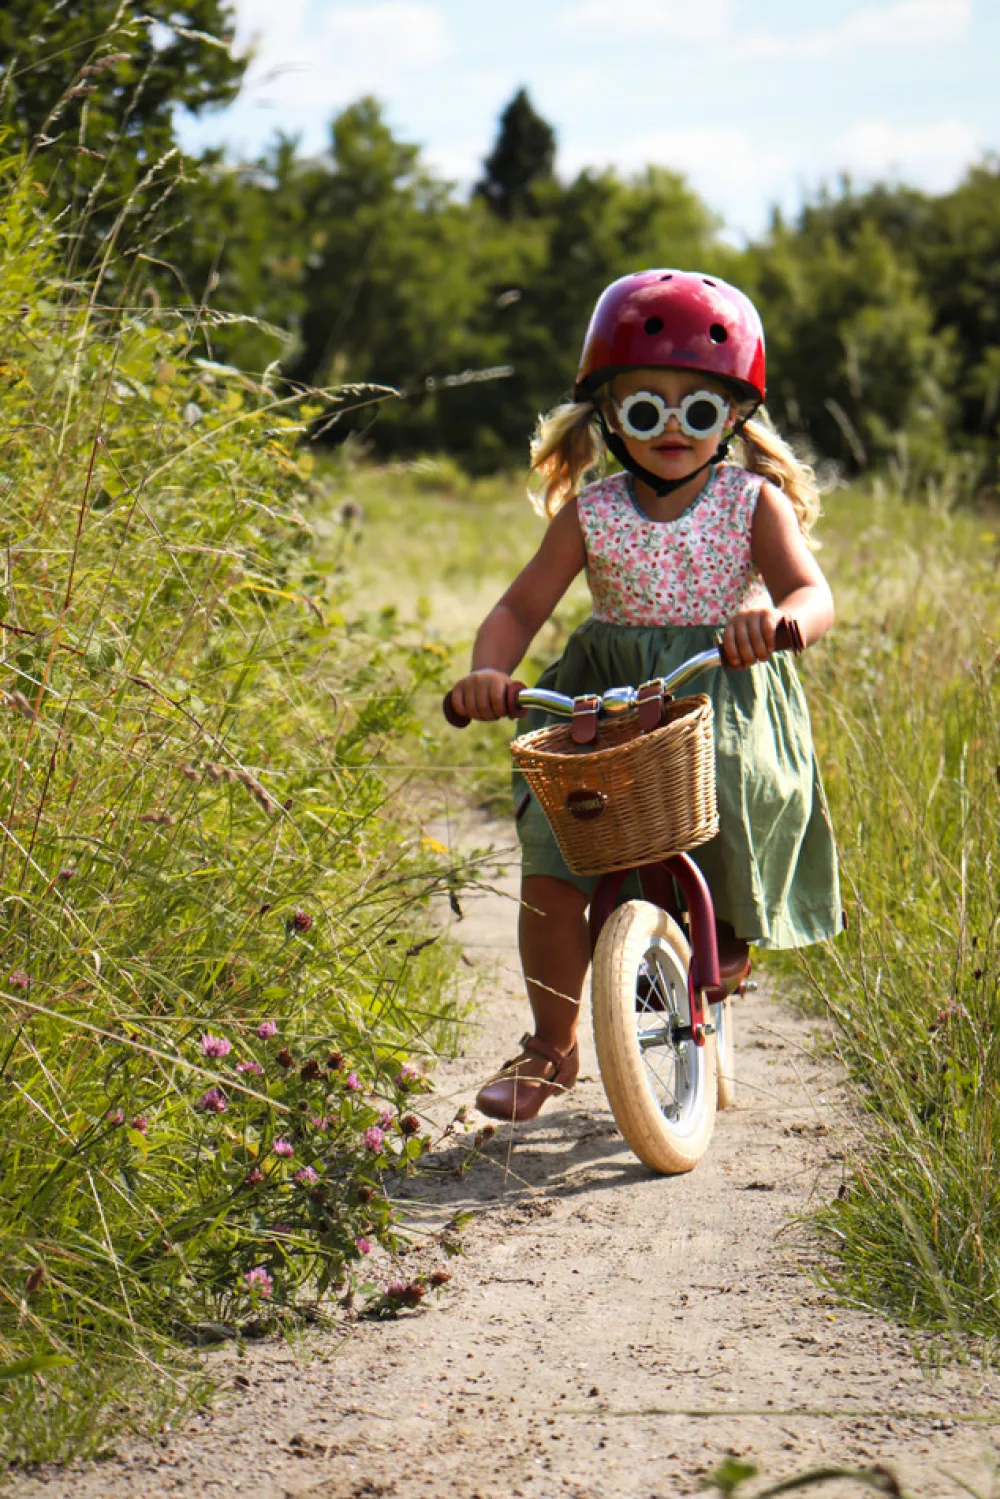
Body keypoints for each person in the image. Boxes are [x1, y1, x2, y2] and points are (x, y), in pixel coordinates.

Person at [448, 269, 841, 1122]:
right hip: (608, 698)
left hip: (717, 692)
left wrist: (778, 623)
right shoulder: (592, 513)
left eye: (697, 410)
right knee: (555, 861)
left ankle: (719, 934)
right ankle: (552, 1045)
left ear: (732, 418)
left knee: (736, 795)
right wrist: (489, 669)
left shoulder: (751, 502)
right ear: (608, 417)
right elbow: (519, 607)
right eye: (644, 408)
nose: (671, 428)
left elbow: (814, 593)